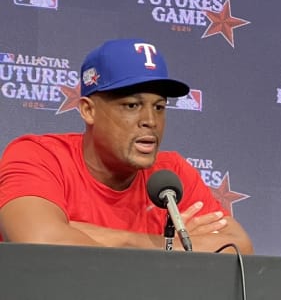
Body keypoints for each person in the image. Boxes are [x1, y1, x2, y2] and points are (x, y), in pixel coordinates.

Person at [0, 38, 253, 254]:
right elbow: (40, 242)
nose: (150, 121)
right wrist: (165, 246)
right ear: (88, 110)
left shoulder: (171, 175)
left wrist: (79, 230)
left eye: (159, 107)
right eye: (132, 105)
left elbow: (239, 248)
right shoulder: (39, 156)